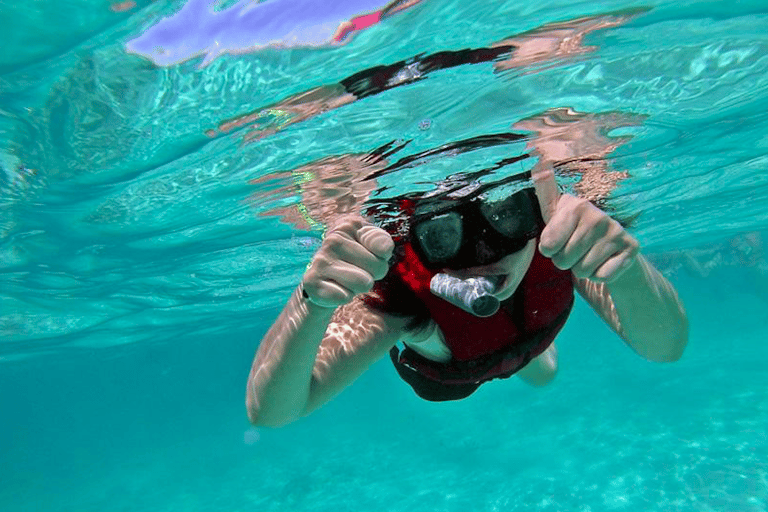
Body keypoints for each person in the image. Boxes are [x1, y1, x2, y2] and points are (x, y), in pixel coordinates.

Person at [245, 156, 689, 426]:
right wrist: (313, 302)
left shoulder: (565, 238)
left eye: (506, 213)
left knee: (542, 368)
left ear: (535, 208)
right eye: (443, 234)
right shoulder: (399, 301)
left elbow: (665, 346)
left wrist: (626, 270)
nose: (483, 254)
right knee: (513, 375)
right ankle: (459, 348)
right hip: (447, 367)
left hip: (532, 337)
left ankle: (524, 360)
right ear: (414, 238)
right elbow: (272, 411)